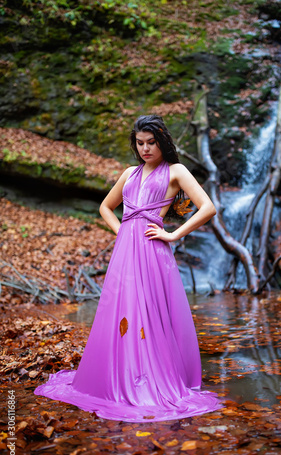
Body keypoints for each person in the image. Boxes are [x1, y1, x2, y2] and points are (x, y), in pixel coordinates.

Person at [34, 115, 223, 422]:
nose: (145, 148)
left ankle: (149, 378)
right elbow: (105, 207)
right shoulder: (129, 174)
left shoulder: (176, 171)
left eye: (151, 142)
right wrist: (121, 231)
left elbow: (208, 207)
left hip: (152, 248)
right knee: (123, 309)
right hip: (126, 250)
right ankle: (122, 375)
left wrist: (173, 234)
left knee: (149, 310)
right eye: (140, 143)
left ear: (162, 141)